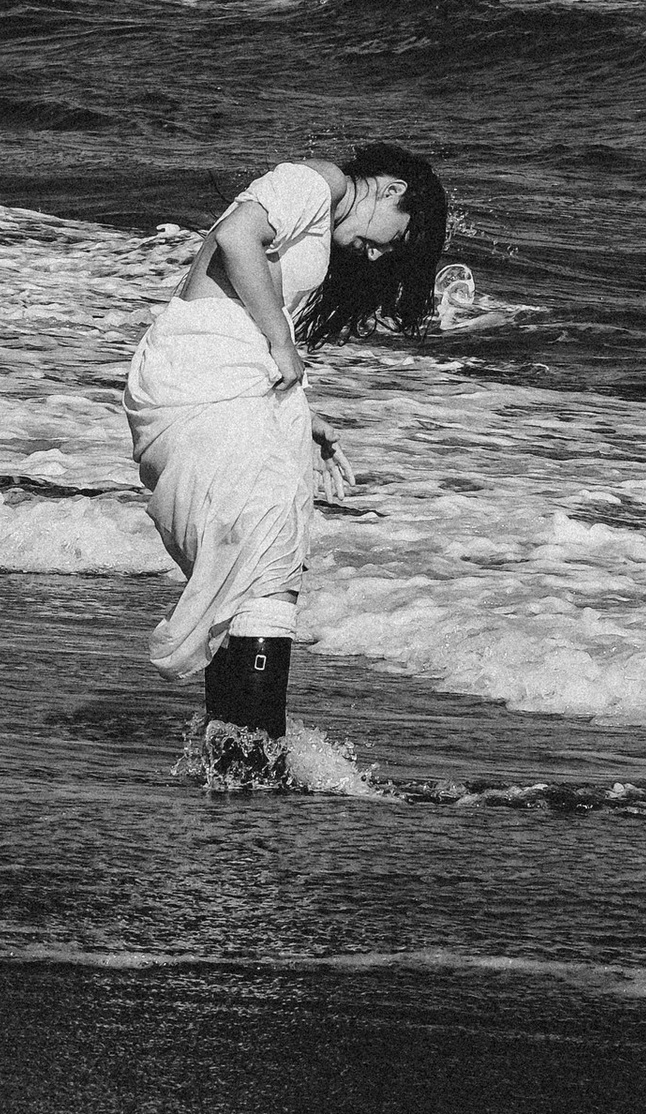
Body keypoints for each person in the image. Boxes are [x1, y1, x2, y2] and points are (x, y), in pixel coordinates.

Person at [124, 141, 450, 763]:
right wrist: (282, 345)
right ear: (389, 189)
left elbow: (248, 297)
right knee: (267, 555)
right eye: (391, 238)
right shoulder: (315, 180)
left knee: (259, 561)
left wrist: (302, 414)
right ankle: (249, 764)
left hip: (218, 373)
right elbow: (235, 236)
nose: (376, 253)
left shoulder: (318, 211)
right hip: (208, 372)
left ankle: (232, 755)